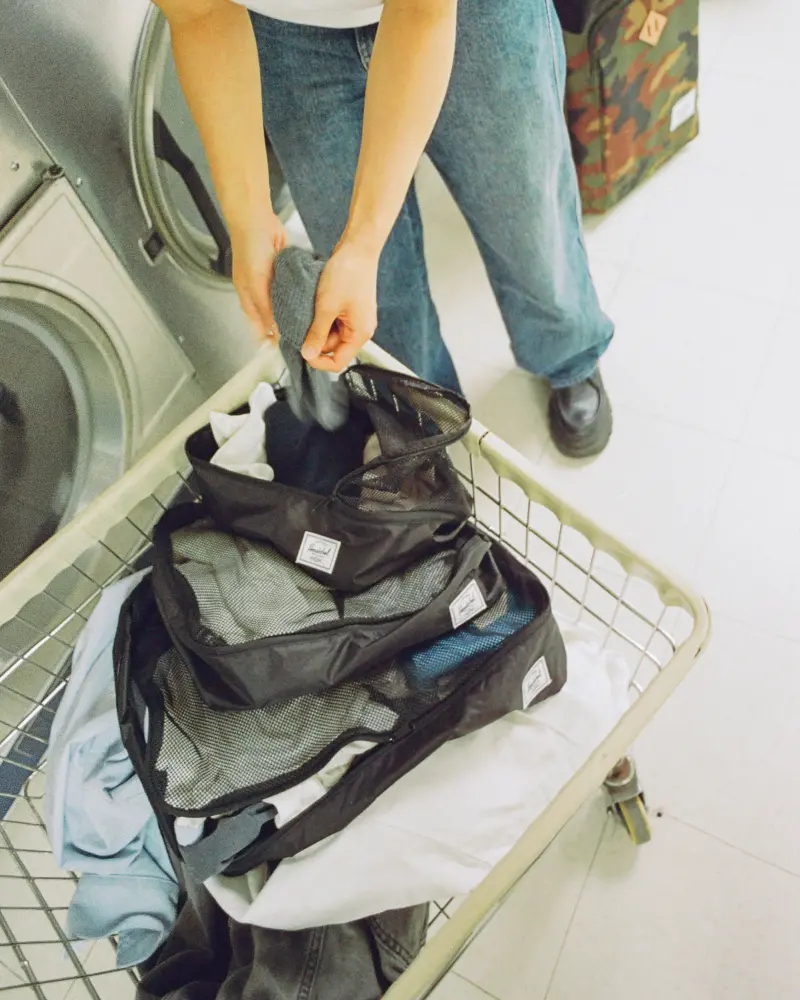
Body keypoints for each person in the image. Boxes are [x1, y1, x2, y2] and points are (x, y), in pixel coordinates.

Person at [155, 0, 614, 458]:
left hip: (473, 13)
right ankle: (426, 418)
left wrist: (363, 241)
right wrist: (247, 216)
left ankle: (567, 354)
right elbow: (200, 15)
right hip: (287, 42)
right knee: (371, 287)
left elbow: (421, 12)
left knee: (525, 206)